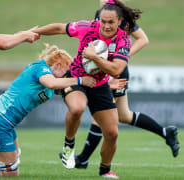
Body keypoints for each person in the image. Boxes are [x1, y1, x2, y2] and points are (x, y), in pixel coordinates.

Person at [0, 44, 96, 177]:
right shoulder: (41, 68)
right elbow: (52, 83)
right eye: (67, 71)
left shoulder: (54, 81)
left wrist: (105, 84)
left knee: (15, 156)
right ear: (57, 65)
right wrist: (80, 80)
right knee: (10, 173)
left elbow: (72, 91)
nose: (68, 75)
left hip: (5, 123)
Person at [33, 1, 137, 178]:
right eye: (103, 21)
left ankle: (105, 170)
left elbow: (116, 70)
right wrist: (35, 32)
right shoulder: (87, 27)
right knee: (77, 108)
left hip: (100, 84)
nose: (106, 26)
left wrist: (94, 58)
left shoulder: (124, 40)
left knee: (112, 133)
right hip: (75, 79)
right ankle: (69, 146)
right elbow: (60, 28)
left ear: (119, 21)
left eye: (111, 22)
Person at [71, 0, 180, 169]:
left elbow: (143, 39)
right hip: (104, 69)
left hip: (114, 71)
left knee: (100, 116)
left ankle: (83, 159)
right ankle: (165, 132)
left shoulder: (120, 18)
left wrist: (122, 57)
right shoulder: (102, 15)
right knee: (123, 115)